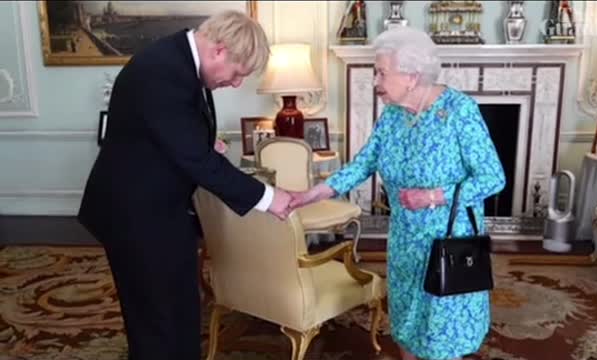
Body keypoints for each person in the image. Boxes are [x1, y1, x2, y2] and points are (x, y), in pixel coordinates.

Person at [77, 10, 292, 360]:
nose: (236, 84)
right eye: (238, 74)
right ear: (219, 50)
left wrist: (203, 142)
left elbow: (180, 136)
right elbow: (193, 158)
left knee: (181, 308)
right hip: (135, 216)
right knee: (156, 321)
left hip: (162, 209)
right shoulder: (161, 72)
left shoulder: (181, 61)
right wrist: (268, 197)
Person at [289, 27, 505, 360]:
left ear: (412, 75)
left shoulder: (459, 112)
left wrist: (433, 196)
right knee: (406, 323)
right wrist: (313, 193)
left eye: (381, 73)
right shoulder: (393, 114)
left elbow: (493, 178)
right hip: (405, 240)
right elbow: (363, 164)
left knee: (440, 333)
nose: (375, 81)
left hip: (448, 241)